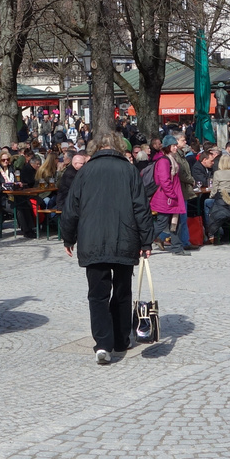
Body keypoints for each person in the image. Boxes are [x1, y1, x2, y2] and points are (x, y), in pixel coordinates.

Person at [61, 133, 153, 366]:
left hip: (92, 240)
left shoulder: (85, 172)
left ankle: (103, 344)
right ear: (119, 147)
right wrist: (146, 241)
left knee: (98, 295)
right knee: (122, 292)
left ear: (96, 148)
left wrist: (68, 238)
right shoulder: (129, 171)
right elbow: (141, 208)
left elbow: (71, 208)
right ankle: (121, 339)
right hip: (125, 238)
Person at [149, 141, 187, 254]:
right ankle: (143, 243)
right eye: (173, 145)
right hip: (166, 197)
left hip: (171, 197)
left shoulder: (171, 159)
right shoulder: (164, 161)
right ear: (168, 147)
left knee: (175, 222)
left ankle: (177, 247)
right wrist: (172, 195)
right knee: (162, 222)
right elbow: (164, 180)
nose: (176, 147)